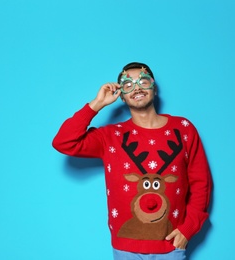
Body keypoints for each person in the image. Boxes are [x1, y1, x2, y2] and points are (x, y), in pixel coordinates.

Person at [52, 62, 212, 260]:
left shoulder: (184, 129)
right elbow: (63, 142)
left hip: (171, 246)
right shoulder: (110, 136)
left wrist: (188, 230)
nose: (136, 88)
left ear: (153, 87)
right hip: (125, 246)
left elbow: (201, 183)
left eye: (143, 81)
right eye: (128, 85)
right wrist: (97, 104)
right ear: (121, 95)